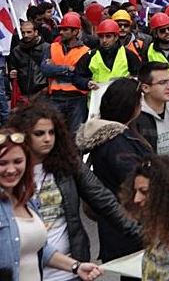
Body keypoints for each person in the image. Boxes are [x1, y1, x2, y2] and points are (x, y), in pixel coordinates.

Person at [8, 103, 141, 277]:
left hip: (69, 266)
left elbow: (104, 200)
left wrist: (142, 233)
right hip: (25, 268)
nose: (47, 139)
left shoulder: (68, 164)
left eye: (51, 132)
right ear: (23, 135)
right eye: (39, 134)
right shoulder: (10, 172)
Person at [0, 128, 103, 280]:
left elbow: (39, 249)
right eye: (2, 163)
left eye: (18, 161)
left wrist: (76, 266)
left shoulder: (27, 199)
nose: (11, 169)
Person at [76, 78, 152, 263]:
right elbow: (135, 181)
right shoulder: (118, 143)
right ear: (131, 106)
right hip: (128, 228)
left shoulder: (113, 136)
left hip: (118, 226)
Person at [41, 12, 91, 134]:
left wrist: (55, 68)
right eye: (61, 29)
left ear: (75, 32)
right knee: (56, 135)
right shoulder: (52, 47)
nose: (61, 32)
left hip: (77, 99)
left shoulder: (86, 51)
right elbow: (45, 70)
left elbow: (81, 74)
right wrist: (68, 69)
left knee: (76, 136)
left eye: (65, 29)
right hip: (55, 98)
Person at [75, 19, 142, 90]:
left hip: (122, 98)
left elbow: (140, 76)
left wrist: (130, 82)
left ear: (116, 37)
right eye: (101, 36)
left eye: (108, 36)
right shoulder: (90, 55)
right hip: (98, 97)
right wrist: (87, 83)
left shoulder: (128, 55)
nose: (104, 40)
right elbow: (77, 77)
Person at [8, 20, 49, 104]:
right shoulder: (16, 51)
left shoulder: (47, 48)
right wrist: (11, 73)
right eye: (23, 32)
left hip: (43, 93)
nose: (25, 35)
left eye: (29, 32)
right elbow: (12, 69)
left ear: (36, 32)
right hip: (24, 96)